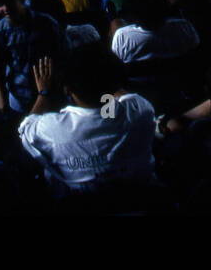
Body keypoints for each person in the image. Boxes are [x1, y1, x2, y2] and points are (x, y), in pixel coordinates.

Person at [17, 47, 156, 195]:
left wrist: (43, 93)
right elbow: (124, 97)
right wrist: (107, 80)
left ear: (67, 89)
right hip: (138, 197)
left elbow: (26, 128)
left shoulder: (50, 128)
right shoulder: (140, 110)